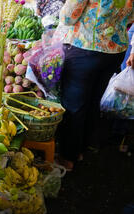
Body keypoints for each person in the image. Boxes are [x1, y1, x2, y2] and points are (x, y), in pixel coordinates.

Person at [56, 0, 134, 171]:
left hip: (85, 46)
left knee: (74, 105)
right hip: (115, 49)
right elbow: (130, 18)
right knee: (92, 101)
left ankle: (68, 158)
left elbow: (68, 17)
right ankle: (81, 150)